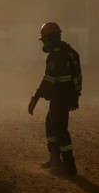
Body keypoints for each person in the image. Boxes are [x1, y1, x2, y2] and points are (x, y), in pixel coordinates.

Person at [28, 21, 82, 175]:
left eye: (44, 39)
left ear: (50, 38)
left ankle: (69, 166)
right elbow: (77, 76)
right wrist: (76, 96)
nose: (44, 43)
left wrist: (35, 98)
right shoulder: (71, 52)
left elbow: (49, 80)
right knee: (51, 126)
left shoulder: (55, 55)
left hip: (59, 99)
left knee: (60, 130)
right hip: (67, 97)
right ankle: (55, 160)